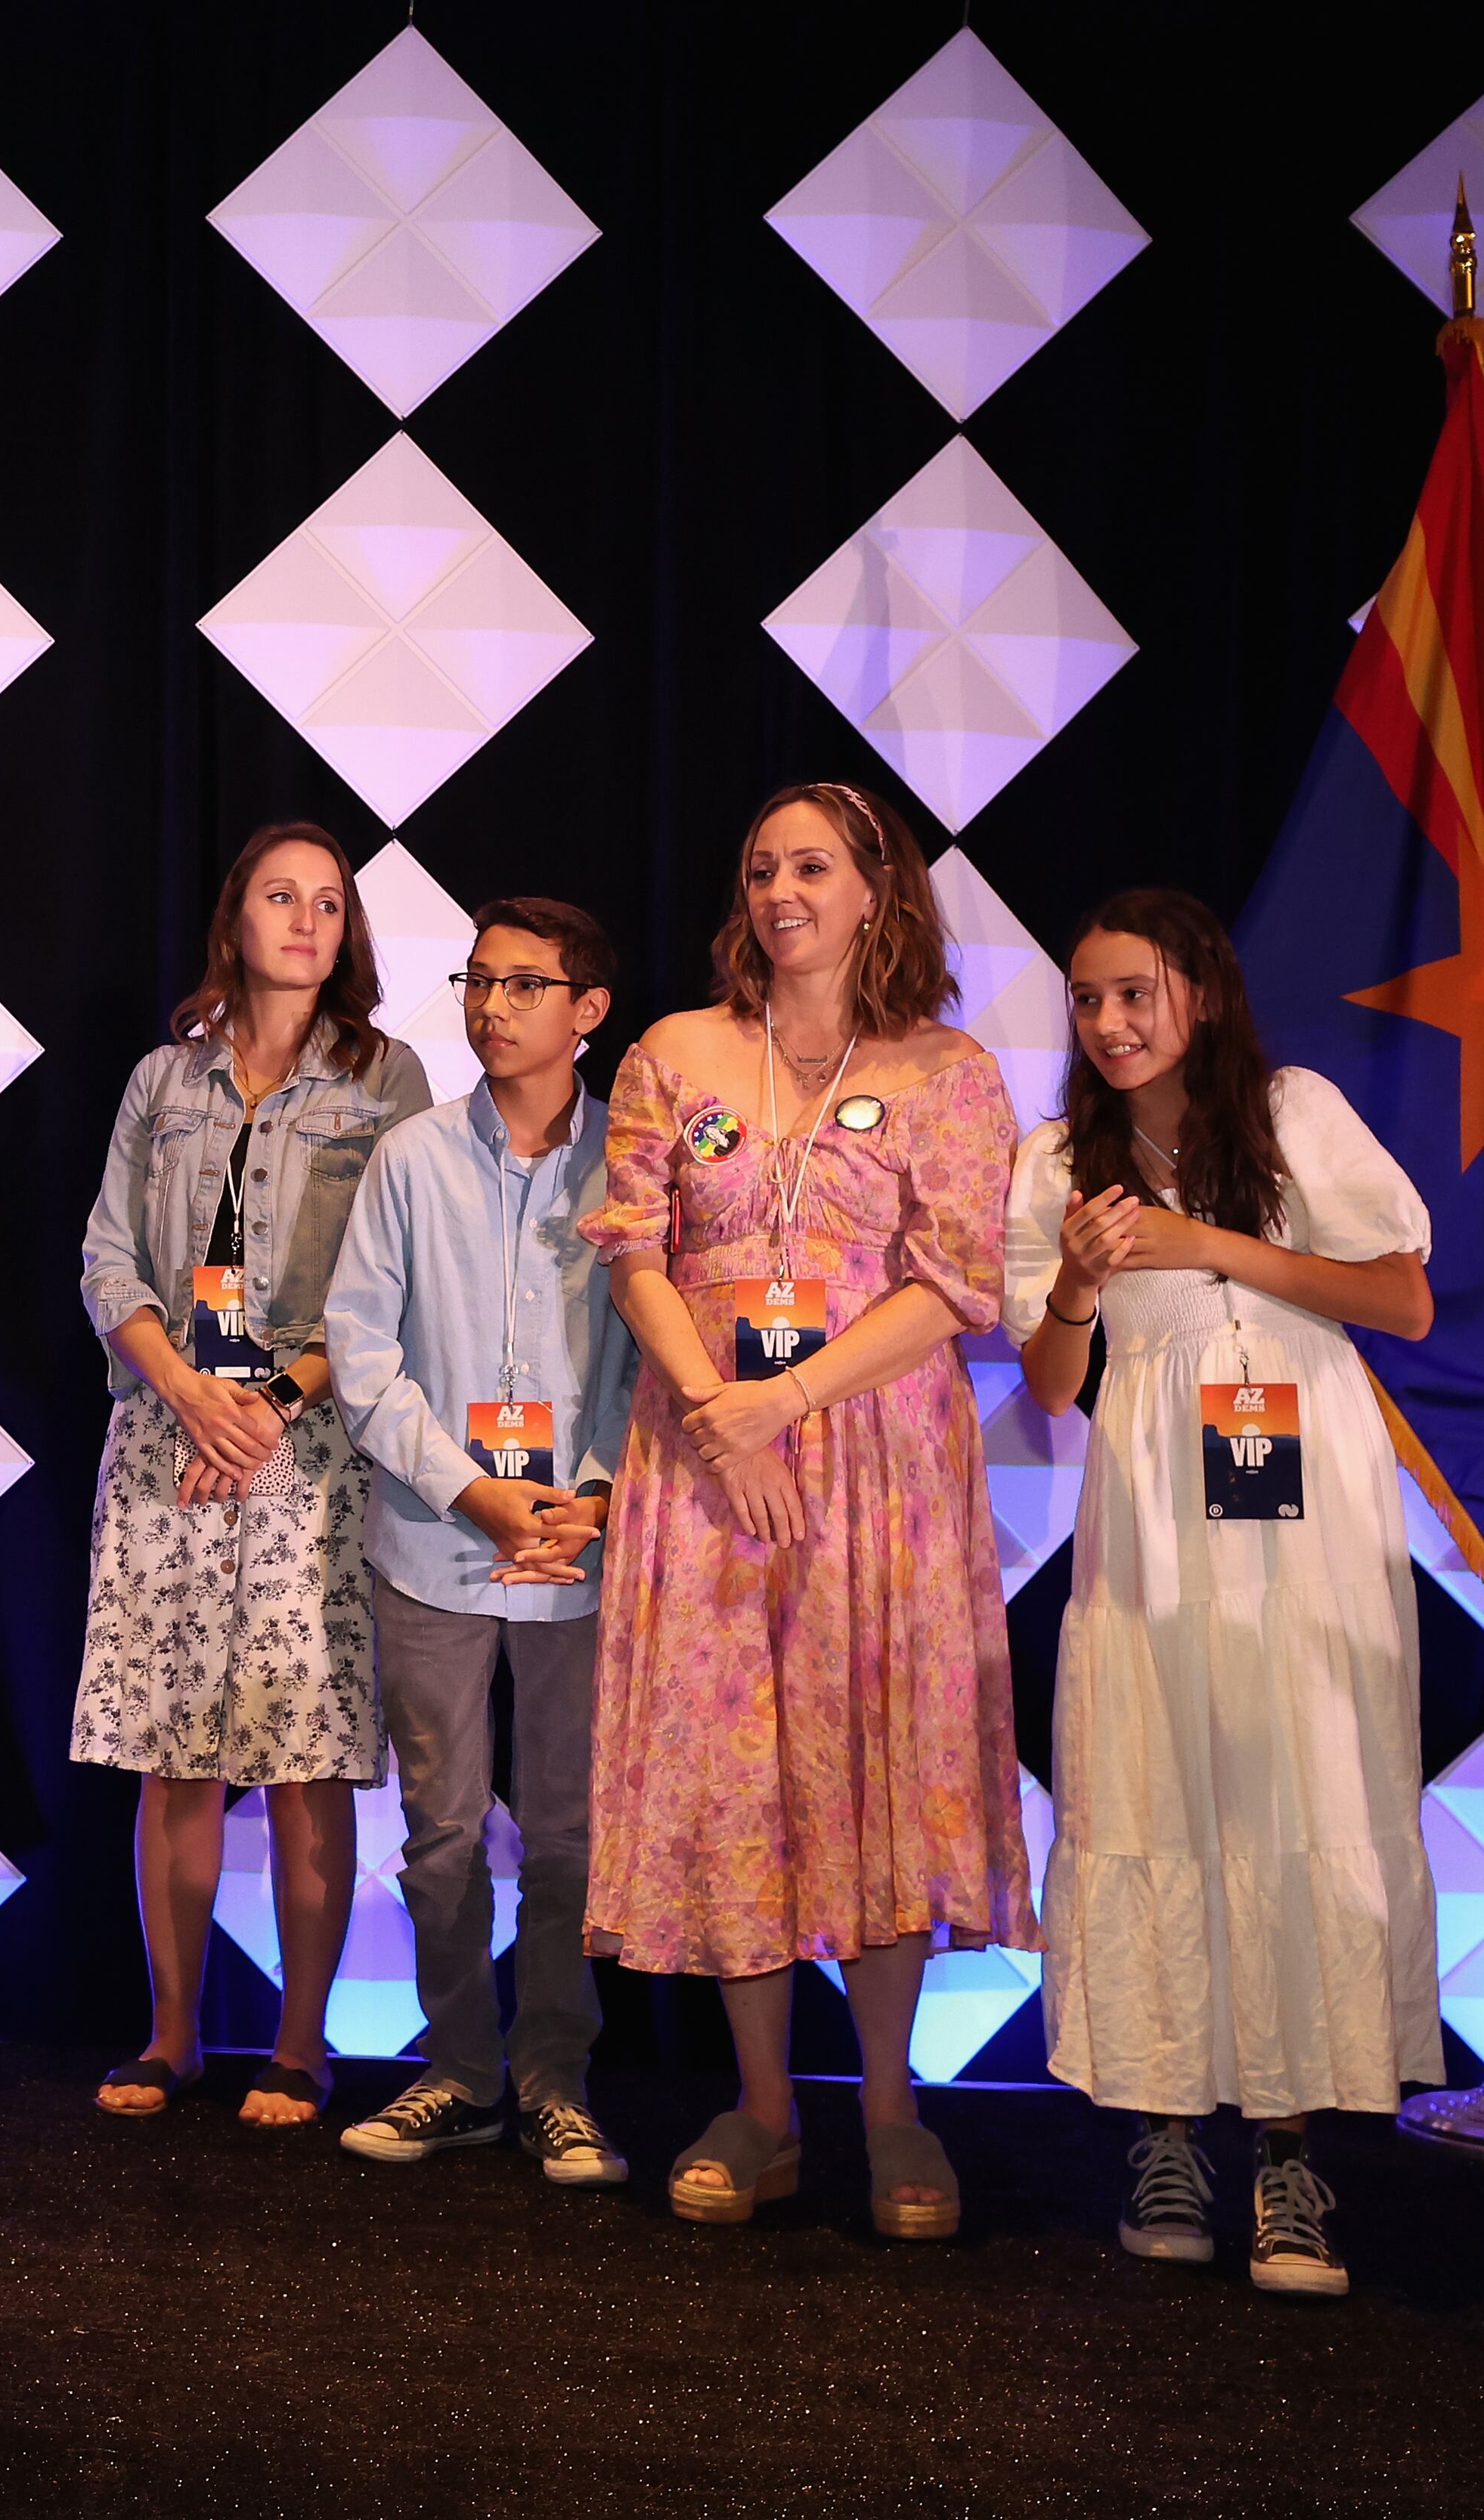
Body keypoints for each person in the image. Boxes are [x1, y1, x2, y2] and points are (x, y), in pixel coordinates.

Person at [581, 780, 1030, 2237]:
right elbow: (633, 1248)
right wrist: (723, 1409)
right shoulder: (675, 1049)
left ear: (875, 891)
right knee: (738, 1775)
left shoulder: (948, 1069)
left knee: (873, 1763)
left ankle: (892, 2108)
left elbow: (957, 1282)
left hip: (877, 1466)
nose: (784, 890)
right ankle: (764, 2108)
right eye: (764, 865)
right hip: (708, 1454)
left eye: (814, 866)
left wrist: (791, 1399)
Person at [1008, 888, 1442, 2298]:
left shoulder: (1294, 1109)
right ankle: (1164, 2135)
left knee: (1300, 1788)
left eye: (1135, 991)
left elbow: (1403, 1298)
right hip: (1149, 1517)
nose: (1110, 1022)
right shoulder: (1058, 1157)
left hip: (1308, 1506)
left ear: (1199, 989)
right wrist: (1074, 1288)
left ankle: (1292, 2158)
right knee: (1152, 1788)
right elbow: (1055, 1389)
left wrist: (1214, 1248)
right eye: (1086, 998)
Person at [74, 823, 431, 2129]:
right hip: (173, 1441)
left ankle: (301, 2046)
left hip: (311, 1449)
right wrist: (184, 1390)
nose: (306, 920)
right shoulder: (163, 1083)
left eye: (329, 903)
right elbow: (108, 1260)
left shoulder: (386, 1081)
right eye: (281, 896)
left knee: (304, 1755)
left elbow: (395, 1281)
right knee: (172, 1753)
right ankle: (172, 2034)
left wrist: (272, 1403)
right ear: (237, 918)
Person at [325, 897, 639, 2184]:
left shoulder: (638, 1162)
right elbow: (361, 1354)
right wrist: (471, 1490)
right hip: (437, 1541)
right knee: (442, 1830)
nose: (491, 1006)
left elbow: (652, 1359)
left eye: (523, 984)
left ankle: (556, 2076)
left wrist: (600, 1490)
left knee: (567, 1831)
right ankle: (459, 2068)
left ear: (589, 1010)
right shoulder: (411, 1158)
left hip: (581, 1548)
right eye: (477, 980)